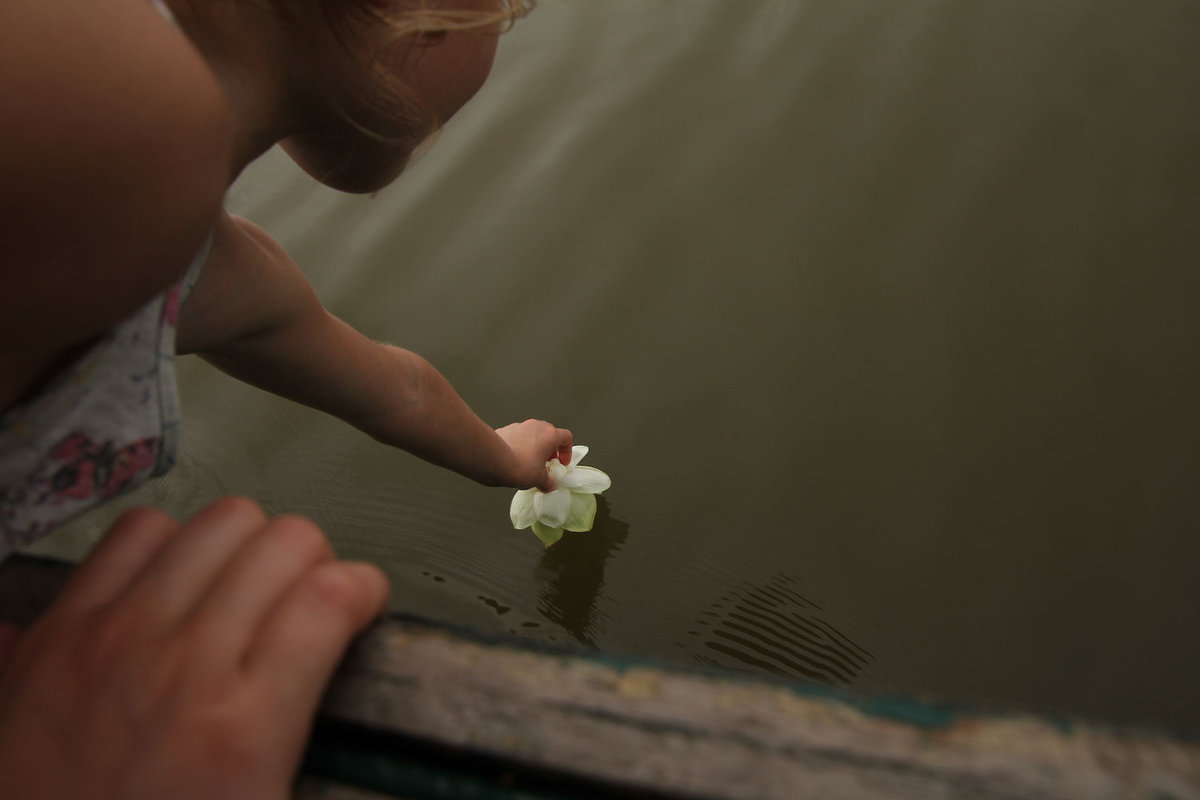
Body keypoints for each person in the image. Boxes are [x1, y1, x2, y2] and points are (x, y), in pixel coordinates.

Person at [0, 0, 569, 795]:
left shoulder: (203, 264)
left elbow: (395, 390)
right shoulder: (117, 112)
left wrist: (506, 457)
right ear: (421, 18)